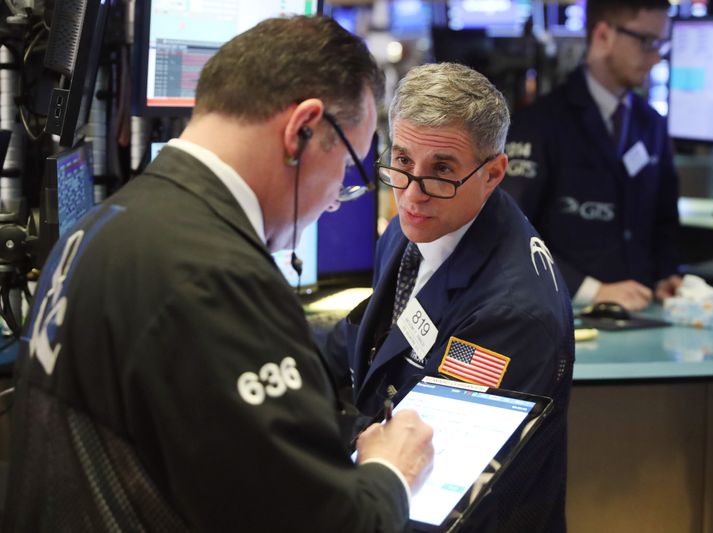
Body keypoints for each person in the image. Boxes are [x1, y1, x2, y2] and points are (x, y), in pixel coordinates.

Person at [3, 16, 434, 532]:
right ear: (302, 129)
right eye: (347, 168)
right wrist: (393, 470)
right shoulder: (215, 276)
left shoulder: (107, 222)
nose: (336, 200)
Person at [325, 62, 575, 532]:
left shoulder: (511, 313)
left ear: (494, 172)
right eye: (402, 162)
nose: (413, 194)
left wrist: (297, 426)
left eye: (442, 169)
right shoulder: (411, 232)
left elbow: (428, 458)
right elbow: (367, 338)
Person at [504, 0, 682, 311]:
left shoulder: (651, 124)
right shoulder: (540, 124)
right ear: (603, 36)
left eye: (662, 44)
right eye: (647, 41)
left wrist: (666, 273)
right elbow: (511, 232)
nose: (656, 57)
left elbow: (664, 220)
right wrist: (590, 290)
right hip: (565, 312)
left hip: (642, 313)